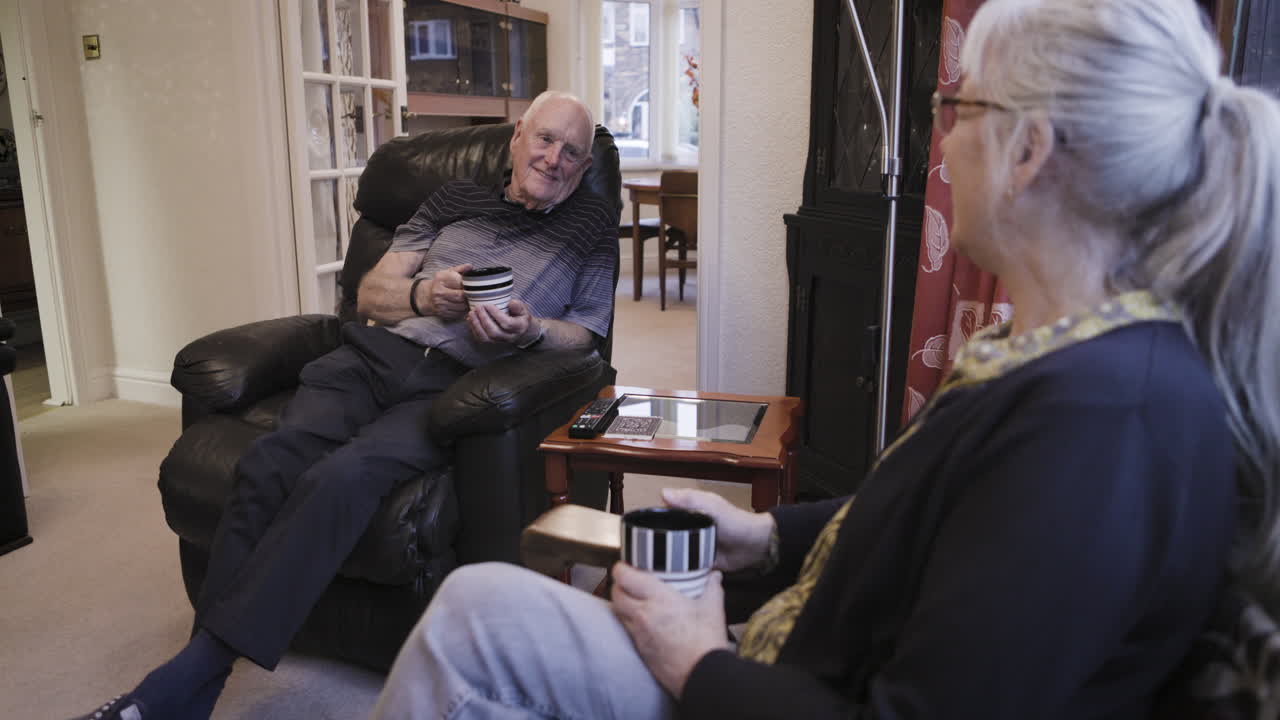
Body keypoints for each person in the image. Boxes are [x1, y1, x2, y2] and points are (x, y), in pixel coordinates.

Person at [371, 0, 1280, 717]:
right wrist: (769, 537)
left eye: (957, 107)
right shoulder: (1058, 360)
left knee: (469, 628)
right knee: (481, 603)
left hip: (783, 680)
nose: (942, 140)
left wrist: (697, 660)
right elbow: (931, 514)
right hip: (798, 650)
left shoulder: (1100, 428)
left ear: (1029, 151)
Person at [75, 90, 618, 720]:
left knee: (345, 476)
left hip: (457, 387)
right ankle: (192, 689)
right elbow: (371, 293)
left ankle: (181, 686)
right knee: (270, 463)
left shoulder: (590, 226)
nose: (553, 159)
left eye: (571, 152)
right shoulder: (452, 200)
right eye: (545, 139)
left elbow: (587, 333)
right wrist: (423, 297)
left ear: (584, 167)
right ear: (518, 136)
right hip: (372, 357)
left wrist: (531, 331)